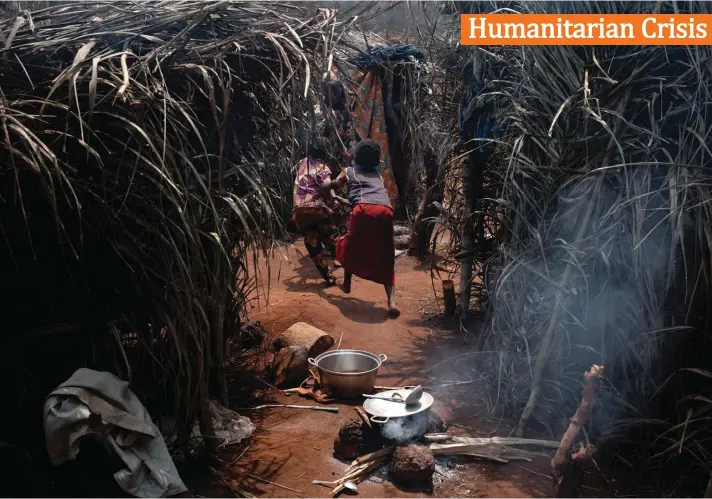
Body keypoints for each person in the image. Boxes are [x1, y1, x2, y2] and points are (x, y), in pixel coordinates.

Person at [320, 139, 399, 317]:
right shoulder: (377, 176)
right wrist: (343, 201)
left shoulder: (348, 171)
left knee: (348, 246)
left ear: (355, 156)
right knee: (387, 255)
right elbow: (371, 199)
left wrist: (324, 188)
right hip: (385, 211)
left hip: (362, 211)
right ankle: (392, 302)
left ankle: (347, 284)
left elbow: (333, 185)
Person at [292, 137, 348, 285]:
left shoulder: (301, 163)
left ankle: (328, 276)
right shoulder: (323, 167)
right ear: (326, 152)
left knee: (313, 243)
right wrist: (338, 183)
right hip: (316, 209)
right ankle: (348, 262)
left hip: (299, 211)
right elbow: (324, 187)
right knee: (333, 237)